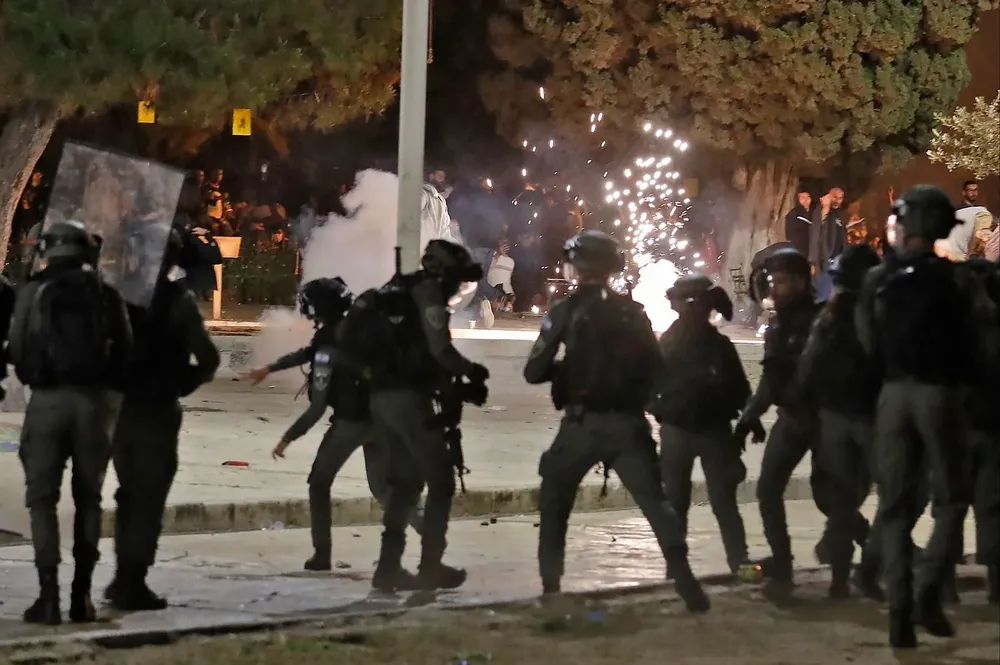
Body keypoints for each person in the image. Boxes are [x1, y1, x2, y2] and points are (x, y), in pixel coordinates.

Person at [523, 230, 709, 612]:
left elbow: (534, 370)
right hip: (629, 424)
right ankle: (684, 578)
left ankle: (551, 586)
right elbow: (657, 368)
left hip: (582, 424)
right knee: (656, 504)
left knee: (556, 498)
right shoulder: (634, 312)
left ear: (577, 265)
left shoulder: (566, 309)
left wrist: (568, 368)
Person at [856, 185, 972, 648]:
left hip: (892, 395)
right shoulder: (959, 280)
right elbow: (976, 340)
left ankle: (899, 615)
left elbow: (868, 340)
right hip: (940, 395)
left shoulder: (878, 279)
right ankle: (928, 593)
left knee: (893, 506)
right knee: (950, 498)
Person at [244, 277, 423, 571]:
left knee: (318, 483)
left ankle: (321, 555)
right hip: (385, 420)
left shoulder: (330, 348)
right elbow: (308, 352)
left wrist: (288, 438)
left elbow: (317, 408)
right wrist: (270, 368)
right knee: (386, 491)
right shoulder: (362, 329)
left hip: (352, 425)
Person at [340, 240, 488, 592]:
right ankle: (430, 566)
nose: (457, 288)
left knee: (403, 485)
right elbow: (440, 350)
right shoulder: (426, 293)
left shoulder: (394, 290)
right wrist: (473, 371)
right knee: (440, 481)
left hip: (376, 397)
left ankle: (390, 569)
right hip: (405, 398)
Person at [8, 221, 132, 625]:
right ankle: (82, 598)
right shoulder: (106, 293)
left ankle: (48, 597)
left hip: (47, 402)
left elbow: (19, 347)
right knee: (89, 499)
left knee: (41, 500)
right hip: (96, 406)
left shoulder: (34, 291)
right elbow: (126, 352)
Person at [104, 223, 222, 611]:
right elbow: (208, 360)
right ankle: (131, 582)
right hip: (156, 410)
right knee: (148, 497)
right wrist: (178, 384)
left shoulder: (114, 297)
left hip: (119, 410)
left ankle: (122, 576)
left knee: (127, 493)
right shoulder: (177, 301)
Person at [734, 246, 866, 588]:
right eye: (773, 281)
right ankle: (782, 562)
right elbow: (771, 378)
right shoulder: (780, 325)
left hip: (822, 419)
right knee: (767, 490)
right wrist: (751, 416)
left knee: (830, 497)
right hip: (792, 418)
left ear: (800, 281)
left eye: (782, 281)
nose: (776, 289)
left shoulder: (824, 319)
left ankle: (870, 551)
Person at [793, 244, 883, 599]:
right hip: (865, 415)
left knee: (843, 500)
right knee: (881, 498)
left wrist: (802, 398)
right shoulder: (878, 312)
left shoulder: (831, 314)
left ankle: (841, 579)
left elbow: (809, 362)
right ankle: (865, 570)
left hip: (838, 414)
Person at [652, 275, 757, 578]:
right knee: (712, 504)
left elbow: (739, 388)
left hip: (692, 431)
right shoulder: (702, 343)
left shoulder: (677, 341)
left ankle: (679, 568)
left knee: (686, 503)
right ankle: (735, 562)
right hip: (702, 431)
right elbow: (741, 389)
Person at [784, 190, 813, 256]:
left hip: (811, 249)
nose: (806, 200)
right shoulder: (793, 214)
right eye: (803, 197)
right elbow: (789, 234)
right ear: (798, 198)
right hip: (798, 249)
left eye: (808, 197)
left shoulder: (814, 214)